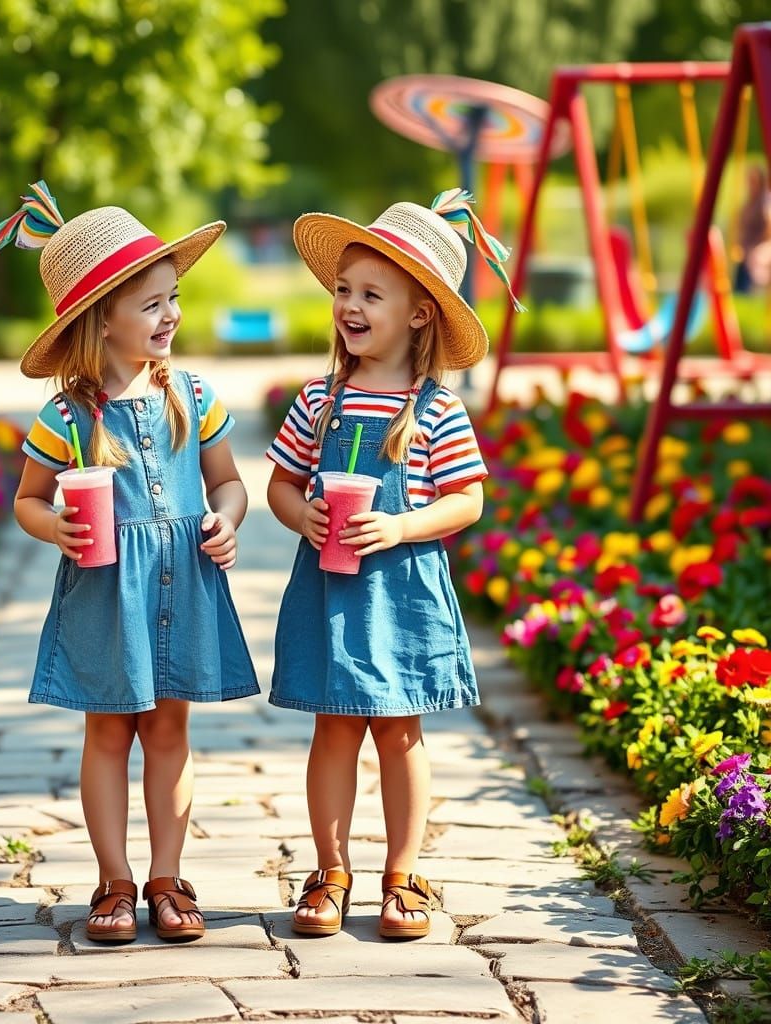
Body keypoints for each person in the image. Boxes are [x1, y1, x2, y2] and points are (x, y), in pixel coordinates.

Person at [0, 183, 259, 944]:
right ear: (102, 319)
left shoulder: (192, 395)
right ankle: (114, 880)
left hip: (184, 585)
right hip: (104, 592)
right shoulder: (66, 416)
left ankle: (167, 878)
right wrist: (55, 527)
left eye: (174, 298)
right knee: (108, 734)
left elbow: (227, 481)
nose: (172, 316)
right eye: (153, 304)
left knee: (169, 733)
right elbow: (27, 500)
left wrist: (226, 522)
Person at [265, 191, 521, 940]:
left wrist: (405, 523)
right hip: (329, 586)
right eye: (343, 290)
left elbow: (467, 500)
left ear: (418, 314)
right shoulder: (319, 399)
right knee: (334, 729)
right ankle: (330, 871)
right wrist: (299, 513)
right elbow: (281, 483)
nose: (348, 304)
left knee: (399, 731)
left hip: (401, 591)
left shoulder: (434, 410)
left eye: (370, 293)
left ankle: (402, 875)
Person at [735, 164, 771, 294]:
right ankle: (742, 290)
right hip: (746, 247)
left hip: (762, 245)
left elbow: (769, 227)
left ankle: (758, 292)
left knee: (755, 259)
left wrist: (755, 245)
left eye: (754, 181)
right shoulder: (748, 203)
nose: (750, 185)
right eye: (749, 181)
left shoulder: (765, 202)